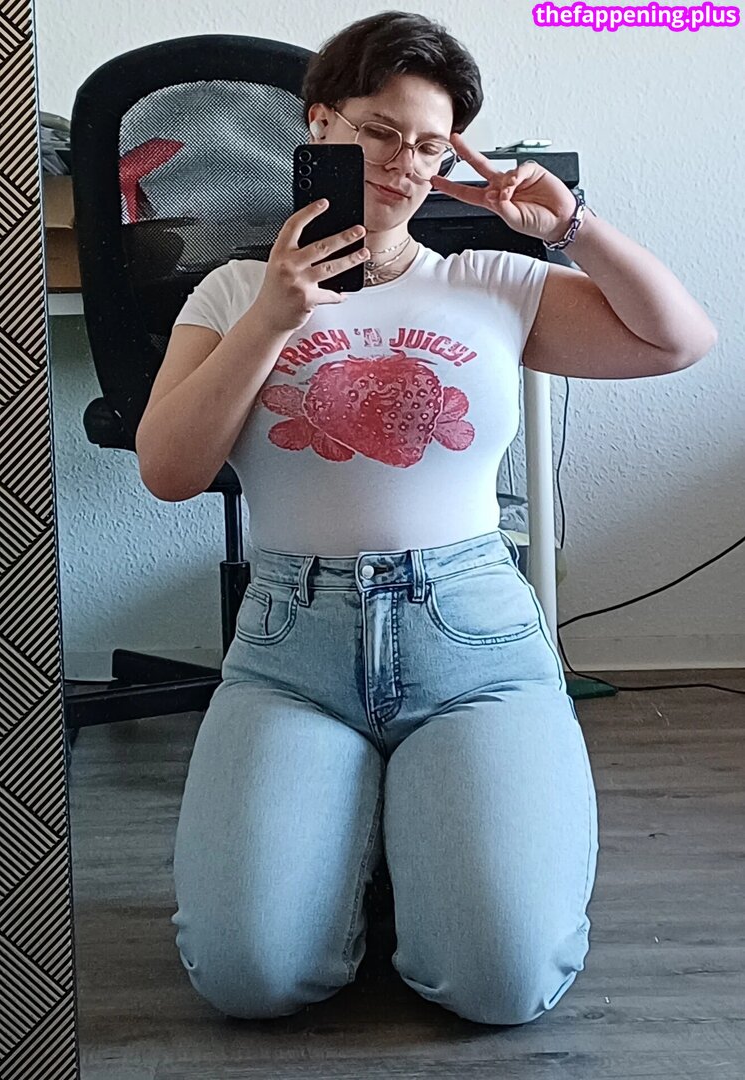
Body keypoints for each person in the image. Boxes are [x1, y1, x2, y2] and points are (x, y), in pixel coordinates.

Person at [135, 11, 717, 1024]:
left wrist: (570, 228)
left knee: (502, 984)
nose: (403, 163)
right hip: (293, 650)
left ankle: (417, 844)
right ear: (319, 123)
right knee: (249, 977)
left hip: (471, 641)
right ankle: (369, 845)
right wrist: (273, 317)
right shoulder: (232, 292)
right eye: (378, 131)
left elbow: (679, 342)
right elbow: (169, 471)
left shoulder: (490, 283)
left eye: (430, 145)